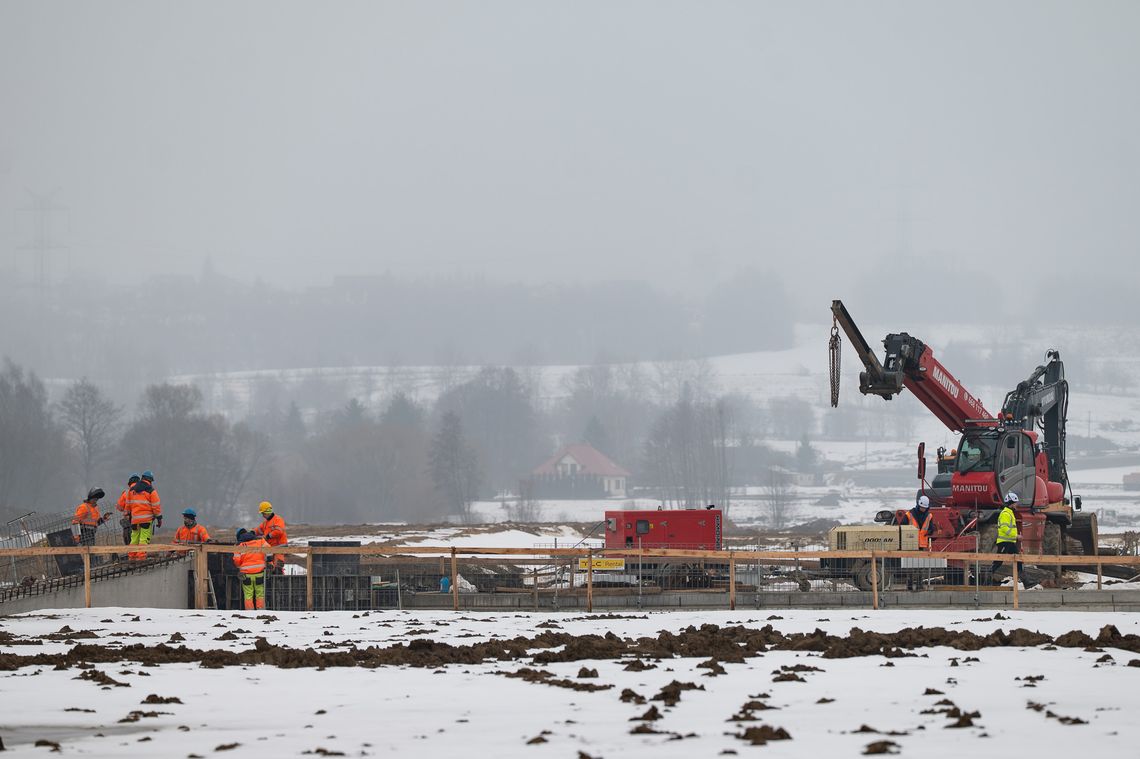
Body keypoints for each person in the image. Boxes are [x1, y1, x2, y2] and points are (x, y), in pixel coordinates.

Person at [127, 471, 162, 561]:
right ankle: (141, 558)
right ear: (150, 480)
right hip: (146, 520)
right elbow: (156, 506)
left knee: (134, 539)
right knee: (143, 539)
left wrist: (130, 515)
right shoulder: (151, 490)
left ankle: (131, 557)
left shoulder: (132, 490)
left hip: (134, 520)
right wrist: (159, 518)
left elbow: (128, 505)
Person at [990, 492, 1025, 579]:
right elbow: (1004, 528)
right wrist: (1016, 536)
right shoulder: (1005, 513)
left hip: (1009, 541)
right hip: (1004, 542)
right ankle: (984, 579)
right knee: (998, 562)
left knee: (1018, 560)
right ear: (1011, 504)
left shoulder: (1009, 513)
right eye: (1015, 503)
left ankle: (1025, 580)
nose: (1017, 505)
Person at [233, 528, 270, 610]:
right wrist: (269, 562)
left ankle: (250, 613)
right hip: (259, 572)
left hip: (246, 574)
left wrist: (240, 566)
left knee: (248, 595)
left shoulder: (239, 546)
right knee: (260, 594)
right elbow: (269, 550)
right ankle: (260, 611)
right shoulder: (260, 541)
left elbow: (236, 560)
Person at [254, 501, 287, 573]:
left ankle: (279, 581)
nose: (262, 515)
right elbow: (258, 530)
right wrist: (251, 533)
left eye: (263, 513)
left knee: (278, 567)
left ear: (267, 512)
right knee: (270, 567)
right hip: (270, 548)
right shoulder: (265, 523)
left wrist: (267, 536)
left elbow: (279, 532)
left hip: (279, 547)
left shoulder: (278, 519)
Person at [116, 474, 142, 547]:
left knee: (129, 541)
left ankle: (131, 555)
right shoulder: (144, 491)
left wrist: (125, 509)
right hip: (141, 520)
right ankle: (140, 555)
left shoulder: (126, 492)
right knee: (141, 541)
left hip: (128, 521)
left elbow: (119, 507)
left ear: (129, 483)